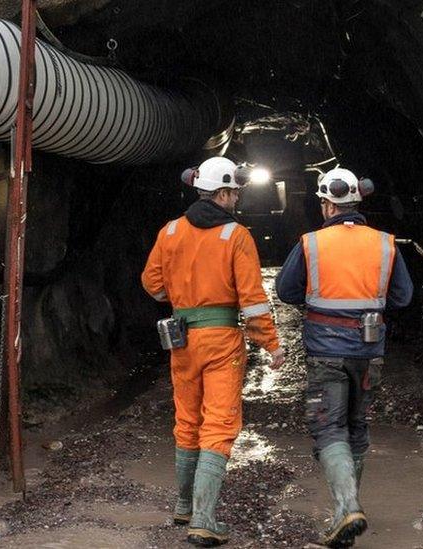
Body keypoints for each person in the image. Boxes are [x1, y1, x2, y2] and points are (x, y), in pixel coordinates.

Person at [142, 156, 286, 547]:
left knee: (187, 419)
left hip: (182, 339)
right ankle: (203, 520)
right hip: (221, 339)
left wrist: (182, 301)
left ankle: (184, 505)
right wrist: (271, 343)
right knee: (219, 424)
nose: (237, 197)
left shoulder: (169, 231)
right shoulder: (236, 236)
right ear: (222, 192)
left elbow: (151, 283)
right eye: (234, 191)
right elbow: (253, 300)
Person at [276, 167, 413, 547]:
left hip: (326, 353)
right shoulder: (386, 243)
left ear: (327, 204)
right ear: (357, 200)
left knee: (328, 429)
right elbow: (402, 297)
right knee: (356, 427)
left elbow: (286, 291)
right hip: (369, 353)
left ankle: (348, 506)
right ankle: (343, 517)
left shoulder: (312, 243)